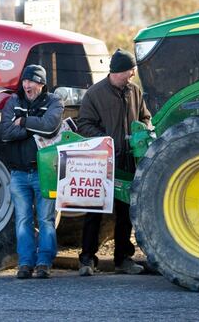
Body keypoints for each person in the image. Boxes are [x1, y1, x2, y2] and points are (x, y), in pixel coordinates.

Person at [77, 49, 152, 276]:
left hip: (129, 162)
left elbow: (145, 116)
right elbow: (84, 124)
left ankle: (123, 259)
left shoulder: (135, 91)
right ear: (119, 71)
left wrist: (145, 128)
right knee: (94, 211)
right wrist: (106, 141)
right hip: (102, 161)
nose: (132, 75)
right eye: (130, 71)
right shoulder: (94, 94)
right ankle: (87, 259)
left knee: (126, 211)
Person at [0, 64, 63, 279]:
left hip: (44, 173)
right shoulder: (13, 101)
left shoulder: (54, 101)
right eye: (25, 81)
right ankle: (25, 263)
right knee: (23, 219)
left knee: (46, 219)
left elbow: (51, 127)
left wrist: (23, 122)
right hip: (18, 173)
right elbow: (5, 133)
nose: (27, 85)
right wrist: (34, 129)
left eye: (32, 81)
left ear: (42, 84)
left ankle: (44, 262)